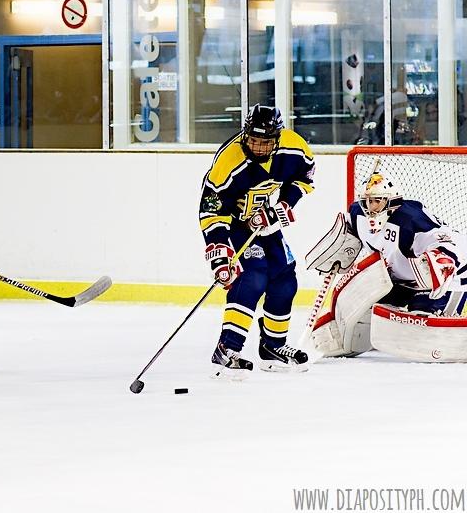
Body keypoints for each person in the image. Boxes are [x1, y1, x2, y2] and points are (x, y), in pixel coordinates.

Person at [199, 104, 315, 377]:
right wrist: (219, 251)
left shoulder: (293, 147)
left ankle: (272, 347)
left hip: (265, 221)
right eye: (254, 140)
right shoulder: (228, 163)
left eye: (266, 142)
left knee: (285, 279)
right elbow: (210, 210)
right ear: (245, 135)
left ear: (277, 137)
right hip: (234, 223)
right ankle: (227, 349)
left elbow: (304, 176)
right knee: (251, 277)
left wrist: (284, 206)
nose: (259, 147)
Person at [306, 173, 467, 360]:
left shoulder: (410, 219)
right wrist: (340, 248)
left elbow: (449, 241)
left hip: (447, 277)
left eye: (376, 201)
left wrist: (444, 260)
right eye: (366, 201)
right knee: (367, 313)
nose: (370, 208)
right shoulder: (358, 214)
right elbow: (349, 230)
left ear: (392, 201)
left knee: (421, 323)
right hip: (401, 279)